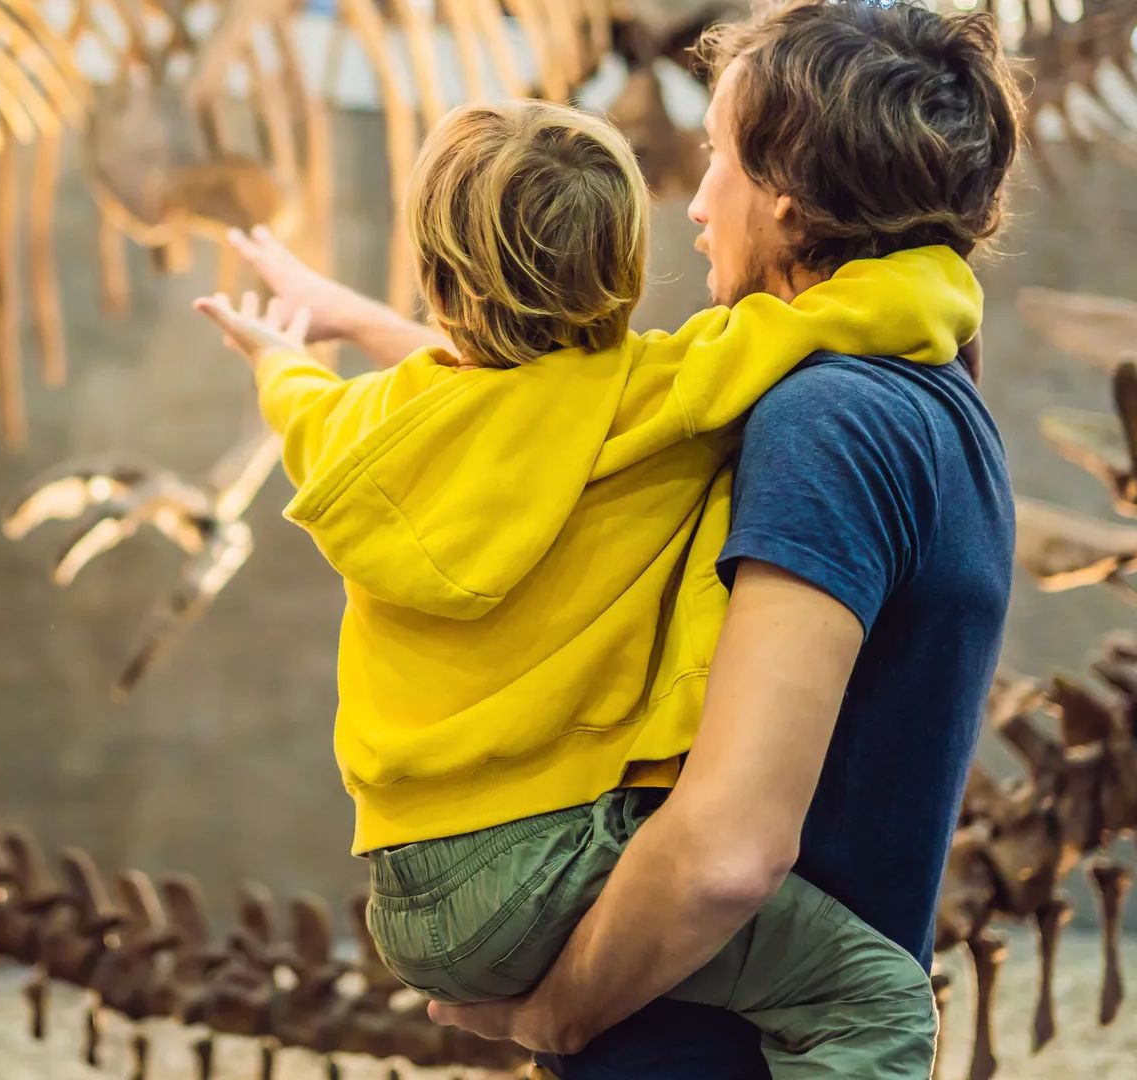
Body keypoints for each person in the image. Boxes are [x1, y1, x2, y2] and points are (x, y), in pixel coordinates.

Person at [211, 2, 1022, 1076]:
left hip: (428, 891)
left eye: (718, 157)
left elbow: (728, 858)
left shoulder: (828, 424)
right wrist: (942, 280)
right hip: (620, 938)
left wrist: (556, 1017)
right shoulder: (903, 403)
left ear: (787, 203)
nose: (695, 202)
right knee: (878, 1005)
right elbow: (562, 418)